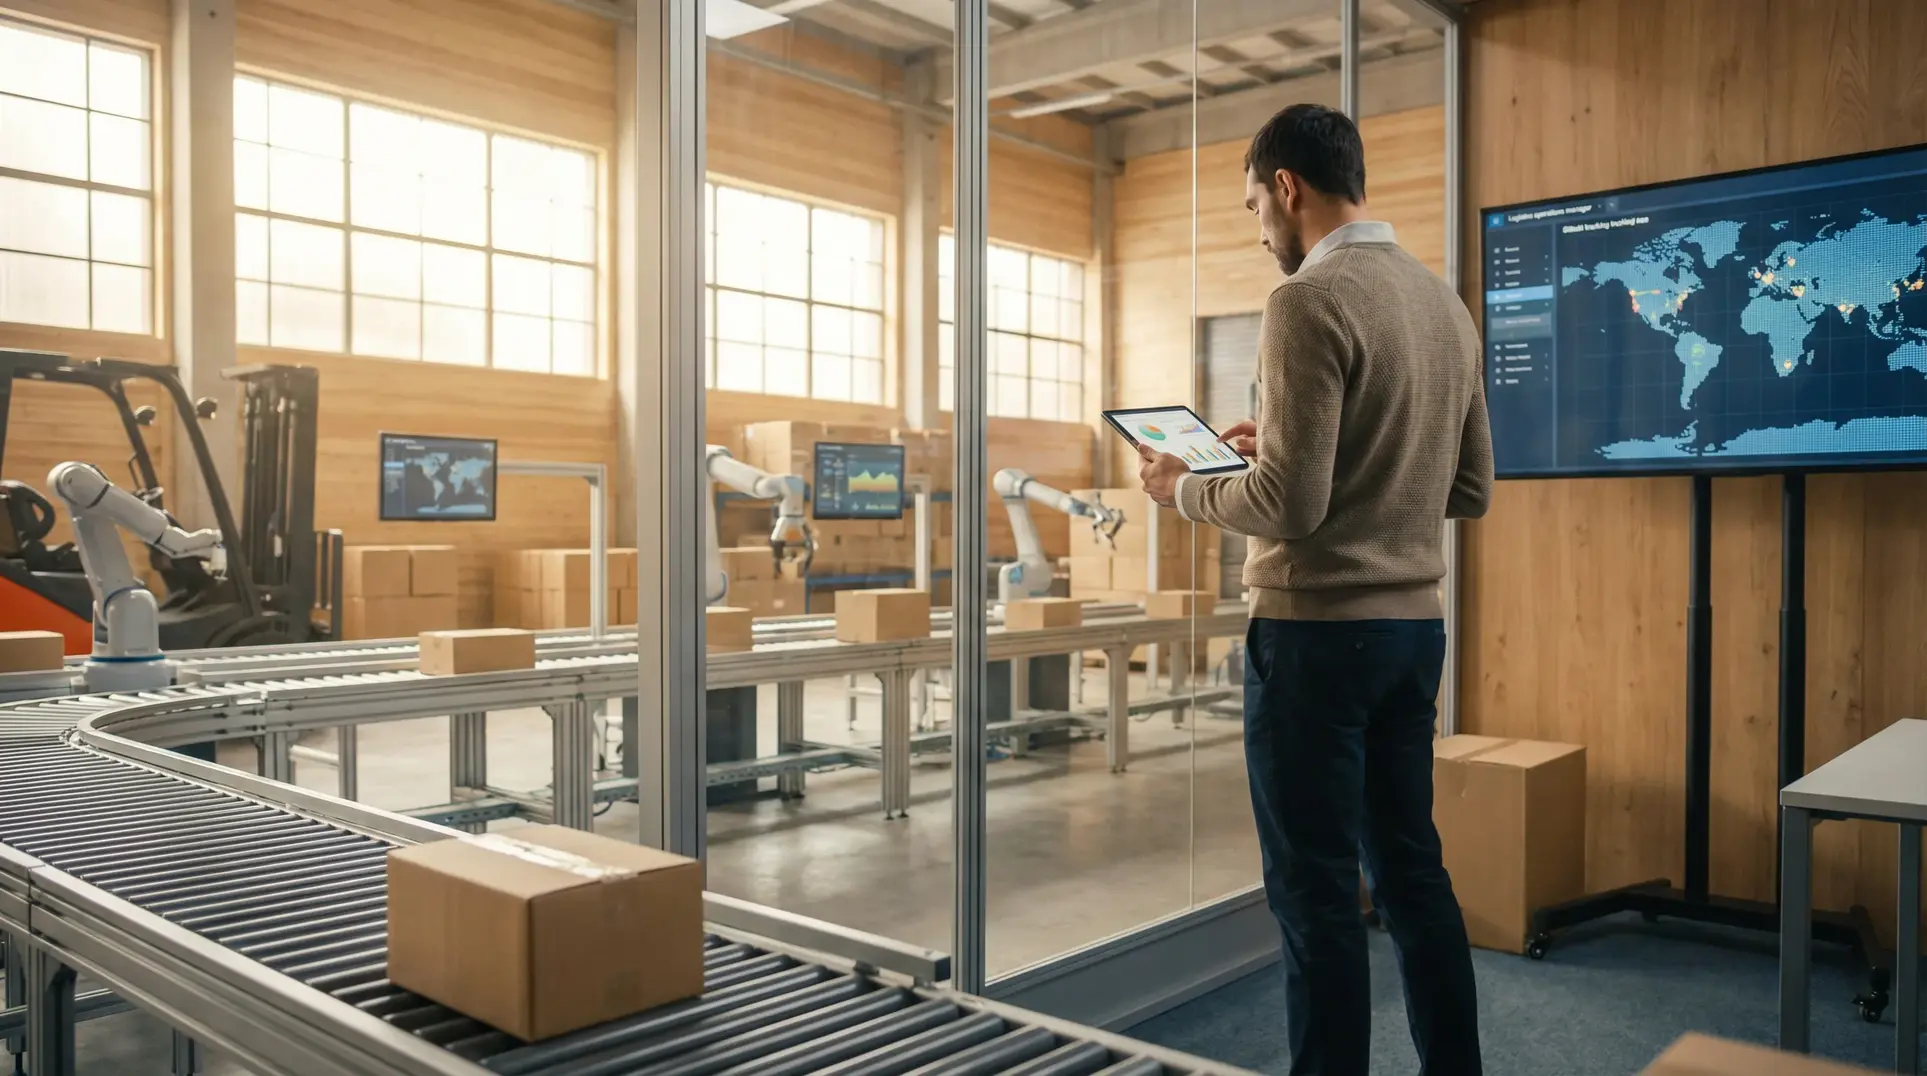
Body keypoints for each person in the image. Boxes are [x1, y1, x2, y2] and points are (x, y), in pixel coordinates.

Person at [1137, 103, 1493, 1076]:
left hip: (1312, 641)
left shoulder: (1305, 300)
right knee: (1413, 875)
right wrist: (1288, 451)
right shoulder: (1443, 306)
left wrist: (1184, 486)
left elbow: (1287, 507)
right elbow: (1468, 487)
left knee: (1317, 893)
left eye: (1256, 202)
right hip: (1413, 636)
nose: (1259, 227)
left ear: (1286, 186)